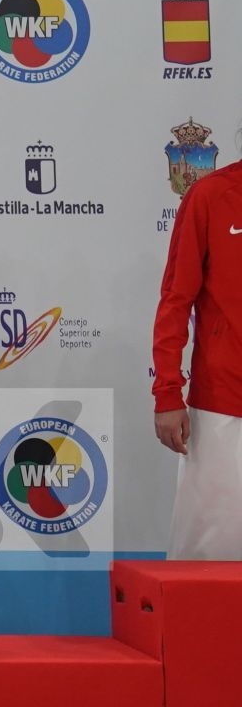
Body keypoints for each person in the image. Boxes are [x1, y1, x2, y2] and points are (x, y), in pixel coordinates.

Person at [152, 146, 242, 558]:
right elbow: (176, 299)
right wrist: (168, 393)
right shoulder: (210, 195)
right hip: (224, 405)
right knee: (206, 561)